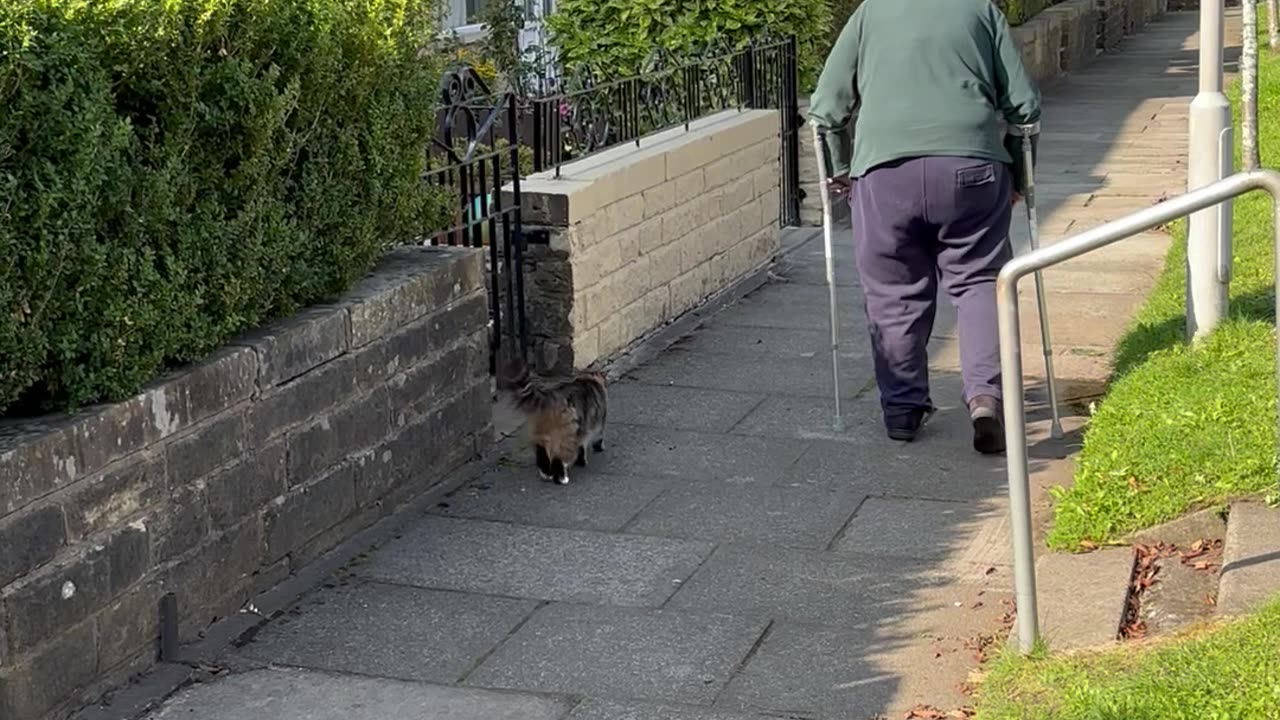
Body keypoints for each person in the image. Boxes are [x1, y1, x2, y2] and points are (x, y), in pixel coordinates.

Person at [808, 0, 1041, 455]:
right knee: (979, 282)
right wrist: (1020, 176)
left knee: (893, 292)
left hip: (885, 173)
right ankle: (984, 399)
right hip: (971, 167)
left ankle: (901, 411)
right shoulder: (981, 10)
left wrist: (838, 170)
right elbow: (1025, 108)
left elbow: (825, 109)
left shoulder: (870, 13)